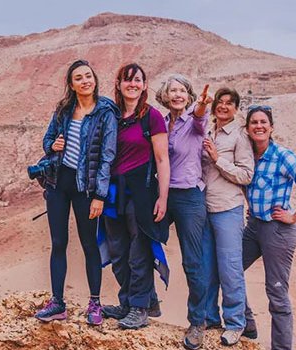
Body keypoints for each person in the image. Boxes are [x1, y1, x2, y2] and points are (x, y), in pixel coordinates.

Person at [34, 59, 119, 326]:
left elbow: (108, 156)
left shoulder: (106, 111)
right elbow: (47, 141)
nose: (85, 81)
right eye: (79, 78)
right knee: (58, 243)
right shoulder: (64, 109)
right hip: (59, 183)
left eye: (88, 76)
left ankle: (95, 302)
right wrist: (54, 145)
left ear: (94, 79)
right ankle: (58, 302)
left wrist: (100, 196)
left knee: (88, 243)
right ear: (71, 84)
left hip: (88, 188)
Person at [242, 105, 296, 350]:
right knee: (227, 269)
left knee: (276, 293)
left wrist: (294, 216)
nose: (259, 126)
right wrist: (251, 205)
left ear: (271, 127)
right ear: (247, 128)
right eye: (254, 122)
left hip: (277, 231)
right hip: (254, 227)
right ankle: (247, 322)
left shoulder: (283, 156)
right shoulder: (246, 155)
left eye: (263, 122)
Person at [100, 63, 170, 330]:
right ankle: (130, 302)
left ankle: (139, 308)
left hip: (141, 193)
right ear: (118, 84)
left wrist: (163, 197)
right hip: (112, 193)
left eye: (137, 80)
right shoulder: (111, 116)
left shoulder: (152, 117)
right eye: (127, 80)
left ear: (144, 84)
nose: (132, 84)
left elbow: (163, 159)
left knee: (138, 252)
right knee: (118, 252)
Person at [155, 74, 212, 350]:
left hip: (189, 196)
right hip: (164, 194)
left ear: (189, 96)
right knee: (142, 240)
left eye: (182, 91)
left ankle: (197, 322)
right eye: (172, 91)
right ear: (165, 96)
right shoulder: (163, 123)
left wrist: (200, 105)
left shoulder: (194, 120)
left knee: (192, 260)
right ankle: (142, 303)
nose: (177, 95)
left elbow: (201, 116)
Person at [200, 88, 254, 345]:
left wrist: (218, 159)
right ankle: (210, 318)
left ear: (235, 108)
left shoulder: (240, 136)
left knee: (230, 268)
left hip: (228, 209)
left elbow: (246, 175)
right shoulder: (206, 130)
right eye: (219, 103)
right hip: (203, 208)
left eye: (228, 103)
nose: (223, 107)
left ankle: (235, 323)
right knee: (206, 267)